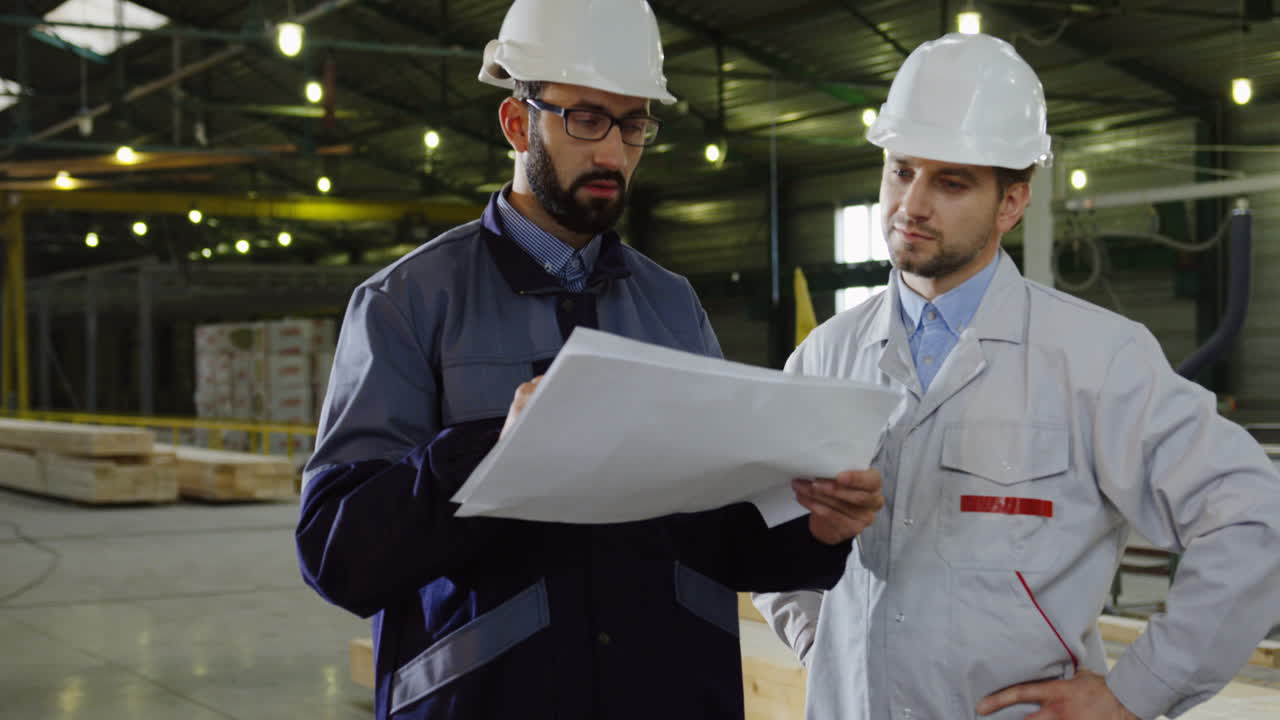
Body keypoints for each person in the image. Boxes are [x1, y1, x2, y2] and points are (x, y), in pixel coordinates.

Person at [295, 1, 884, 718]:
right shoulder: (409, 304)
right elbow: (338, 555)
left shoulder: (671, 305)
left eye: (633, 124)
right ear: (518, 124)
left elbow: (715, 535)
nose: (613, 153)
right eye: (586, 119)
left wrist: (813, 530)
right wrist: (491, 453)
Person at [754, 32, 1280, 720]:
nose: (911, 204)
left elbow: (1251, 514)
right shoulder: (823, 356)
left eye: (950, 182)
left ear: (1011, 203)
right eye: (900, 169)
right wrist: (823, 643)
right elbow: (762, 524)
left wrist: (1136, 692)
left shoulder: (1094, 359)